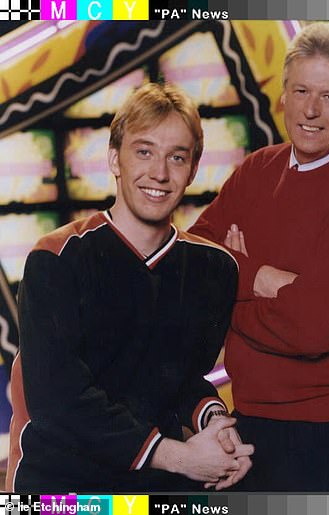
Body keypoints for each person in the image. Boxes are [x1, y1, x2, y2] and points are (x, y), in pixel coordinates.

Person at [6, 83, 254, 493]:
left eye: (177, 157)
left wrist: (214, 424)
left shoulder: (212, 269)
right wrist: (183, 457)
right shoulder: (55, 260)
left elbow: (181, 381)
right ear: (113, 159)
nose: (159, 172)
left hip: (155, 480)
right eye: (144, 151)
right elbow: (59, 404)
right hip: (60, 483)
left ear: (193, 170)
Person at [189, 22, 329, 491]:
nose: (310, 109)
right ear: (283, 94)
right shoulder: (255, 171)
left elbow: (312, 328)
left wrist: (233, 281)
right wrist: (263, 278)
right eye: (301, 90)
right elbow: (194, 265)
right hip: (248, 420)